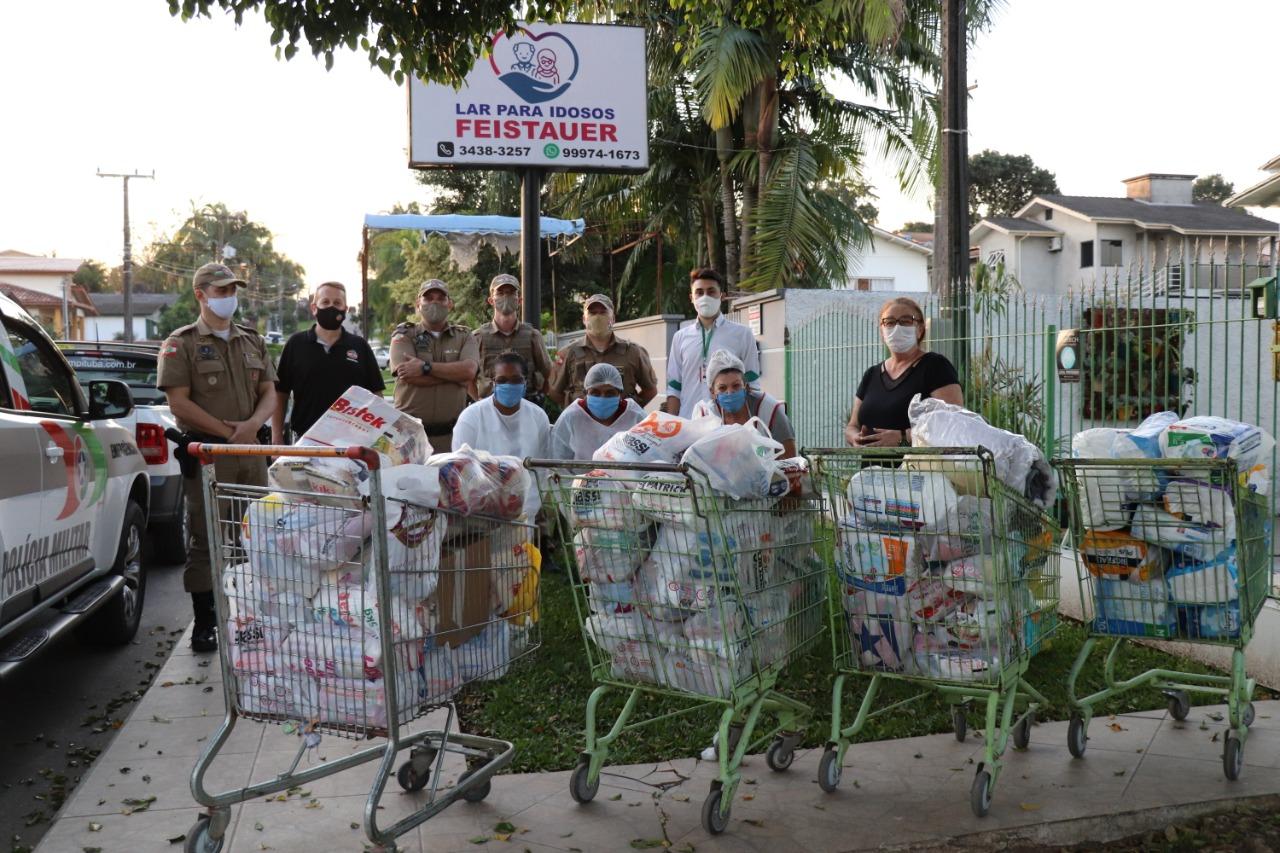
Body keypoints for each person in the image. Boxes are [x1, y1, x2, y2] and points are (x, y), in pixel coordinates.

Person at [157, 262, 277, 653]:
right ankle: (206, 621)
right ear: (201, 294)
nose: (229, 297)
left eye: (232, 290)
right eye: (221, 291)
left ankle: (253, 614)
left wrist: (252, 426)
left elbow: (269, 392)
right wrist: (229, 433)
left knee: (256, 534)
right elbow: (178, 402)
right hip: (210, 455)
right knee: (207, 538)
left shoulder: (252, 340)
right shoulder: (182, 342)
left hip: (250, 452)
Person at [271, 281, 383, 444]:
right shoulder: (296, 344)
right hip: (305, 440)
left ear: (345, 309)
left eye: (337, 303)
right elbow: (280, 394)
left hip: (352, 444)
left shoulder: (359, 346)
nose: (331, 307)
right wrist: (277, 439)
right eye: (325, 302)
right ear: (314, 308)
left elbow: (376, 395)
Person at [844, 296, 964, 448]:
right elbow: (852, 426)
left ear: (920, 329)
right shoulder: (871, 374)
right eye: (890, 322)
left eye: (906, 321)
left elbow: (953, 421)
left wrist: (903, 437)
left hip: (919, 470)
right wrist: (855, 438)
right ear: (882, 330)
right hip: (871, 469)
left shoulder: (936, 366)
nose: (897, 327)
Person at [452, 352, 551, 519]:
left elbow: (541, 471)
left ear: (525, 382)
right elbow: (461, 468)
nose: (509, 385)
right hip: (480, 514)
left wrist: (527, 510)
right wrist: (483, 506)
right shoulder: (471, 417)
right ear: (493, 383)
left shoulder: (538, 416)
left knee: (522, 546)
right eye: (502, 380)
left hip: (525, 513)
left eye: (516, 380)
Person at [389, 279, 480, 453]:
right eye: (428, 298)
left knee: (449, 480)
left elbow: (469, 371)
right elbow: (409, 375)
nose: (435, 302)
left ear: (450, 304)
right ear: (418, 304)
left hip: (452, 437)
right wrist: (455, 377)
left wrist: (425, 367)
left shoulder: (464, 335)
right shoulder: (404, 335)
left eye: (440, 298)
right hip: (409, 437)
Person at [664, 267, 760, 418]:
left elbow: (752, 386)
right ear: (691, 297)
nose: (705, 297)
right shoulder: (680, 338)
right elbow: (674, 388)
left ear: (722, 296)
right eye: (699, 292)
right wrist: (671, 425)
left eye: (711, 291)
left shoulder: (742, 334)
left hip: (728, 426)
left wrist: (749, 424)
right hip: (689, 424)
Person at [549, 293, 657, 408]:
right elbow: (554, 392)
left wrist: (630, 411)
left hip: (623, 424)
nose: (597, 317)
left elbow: (650, 390)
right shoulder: (568, 353)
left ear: (613, 318)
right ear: (584, 319)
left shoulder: (633, 352)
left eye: (603, 312)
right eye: (593, 313)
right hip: (582, 423)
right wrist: (575, 409)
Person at [692, 350, 797, 458]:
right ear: (712, 392)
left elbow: (790, 458)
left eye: (736, 385)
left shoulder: (768, 410)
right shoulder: (706, 416)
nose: (730, 392)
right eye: (722, 388)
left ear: (746, 386)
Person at [472, 273, 553, 401]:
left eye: (511, 293)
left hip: (526, 404)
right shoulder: (479, 337)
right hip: (490, 407)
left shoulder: (532, 336)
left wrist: (540, 397)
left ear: (519, 300)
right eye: (500, 293)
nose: (506, 296)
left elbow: (550, 373)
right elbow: (468, 378)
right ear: (491, 300)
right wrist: (478, 402)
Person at [551, 363, 647, 460]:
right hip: (577, 475)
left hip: (624, 475)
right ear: (585, 393)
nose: (602, 398)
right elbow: (556, 458)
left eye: (610, 393)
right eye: (595, 393)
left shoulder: (635, 416)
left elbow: (649, 455)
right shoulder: (571, 417)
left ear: (620, 394)